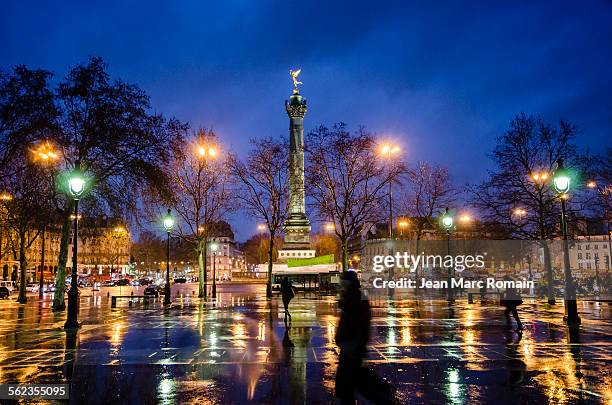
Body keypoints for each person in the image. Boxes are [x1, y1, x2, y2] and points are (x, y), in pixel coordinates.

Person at [335, 271, 395, 404]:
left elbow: (360, 323)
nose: (341, 282)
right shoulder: (352, 296)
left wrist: (356, 343)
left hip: (351, 346)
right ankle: (381, 398)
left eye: (343, 280)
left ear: (348, 282)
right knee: (354, 382)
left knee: (353, 382)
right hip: (349, 345)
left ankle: (383, 399)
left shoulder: (355, 297)